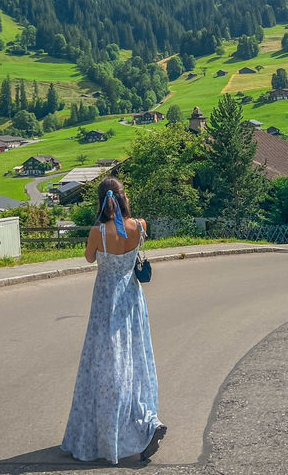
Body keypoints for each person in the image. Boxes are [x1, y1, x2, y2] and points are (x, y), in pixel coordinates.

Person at [60, 176, 166, 464]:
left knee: (107, 367)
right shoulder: (140, 226)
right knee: (135, 362)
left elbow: (89, 259)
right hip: (133, 300)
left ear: (101, 201)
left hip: (107, 304)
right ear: (123, 198)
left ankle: (109, 433)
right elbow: (136, 245)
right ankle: (146, 422)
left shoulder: (98, 232)